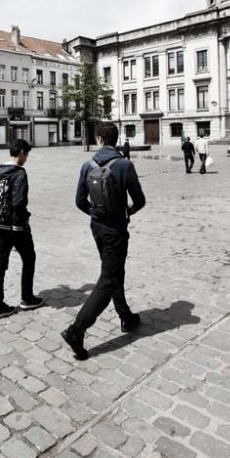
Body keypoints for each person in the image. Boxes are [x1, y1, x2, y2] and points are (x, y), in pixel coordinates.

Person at [62, 122, 146, 361]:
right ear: (115, 139)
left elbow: (79, 201)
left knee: (112, 269)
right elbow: (140, 200)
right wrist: (126, 211)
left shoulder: (86, 165)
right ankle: (76, 331)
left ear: (98, 139)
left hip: (97, 228)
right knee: (108, 279)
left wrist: (96, 213)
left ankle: (125, 315)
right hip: (116, 229)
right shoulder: (124, 165)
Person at [0, 139, 44, 320]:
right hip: (16, 225)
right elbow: (18, 202)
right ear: (21, 152)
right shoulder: (19, 173)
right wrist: (25, 216)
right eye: (26, 154)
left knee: (0, 263)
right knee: (29, 258)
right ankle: (27, 298)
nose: (26, 158)